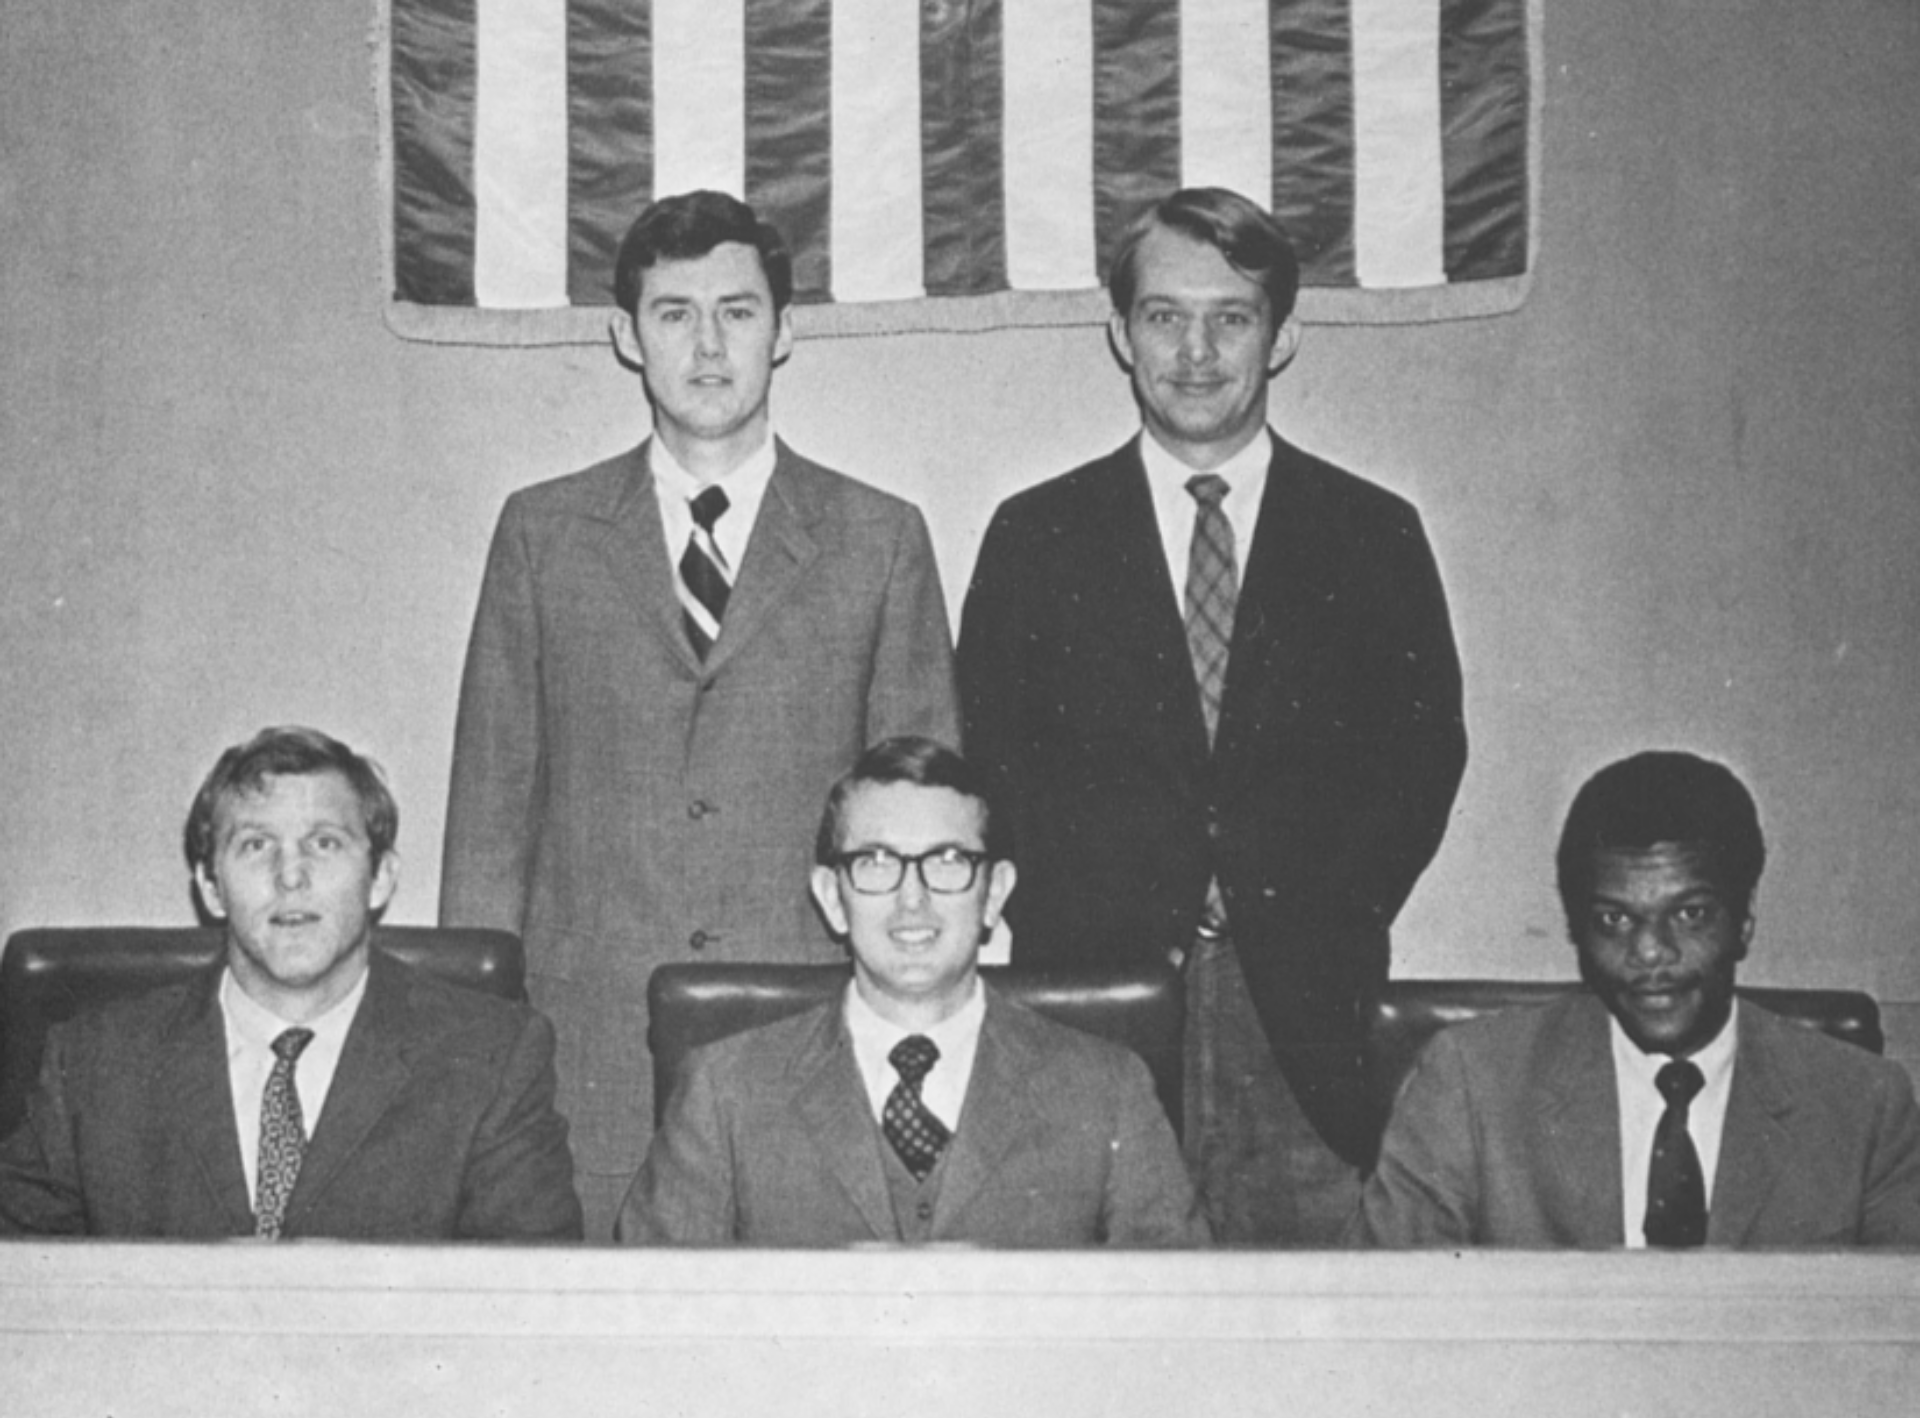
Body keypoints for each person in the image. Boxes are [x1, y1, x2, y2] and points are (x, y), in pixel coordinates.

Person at [440, 191, 960, 1236]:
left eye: (738, 310)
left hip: (806, 1026)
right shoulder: (544, 534)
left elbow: (929, 830)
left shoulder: (878, 539)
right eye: (674, 314)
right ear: (626, 338)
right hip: (589, 1046)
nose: (709, 345)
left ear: (786, 329)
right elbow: (492, 813)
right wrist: (479, 1040)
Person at [957, 187, 1465, 1244]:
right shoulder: (1038, 537)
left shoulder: (1370, 536)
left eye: (1231, 317)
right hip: (1097, 999)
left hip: (1304, 1018)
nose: (1197, 350)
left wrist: (1310, 902)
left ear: (1279, 337)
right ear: (1118, 330)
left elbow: (1422, 760)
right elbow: (988, 761)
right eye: (1164, 315)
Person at [618, 736, 1208, 1247]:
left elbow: (1179, 1331)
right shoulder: (725, 1092)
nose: (912, 898)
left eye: (947, 861)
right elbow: (649, 1330)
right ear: (831, 896)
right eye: (876, 862)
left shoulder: (1107, 1092)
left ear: (995, 893)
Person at [0, 726, 581, 1240]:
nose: (291, 876)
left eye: (323, 843)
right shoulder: (94, 1065)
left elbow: (528, 1322)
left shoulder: (492, 1060)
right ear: (209, 885)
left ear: (380, 878)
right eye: (256, 846)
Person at [1349, 751, 1920, 1247]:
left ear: (1743, 921)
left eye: (1690, 914)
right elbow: (1387, 1324)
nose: (1649, 951)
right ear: (1576, 927)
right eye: (1614, 918)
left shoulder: (1866, 1107)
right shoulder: (1471, 1085)